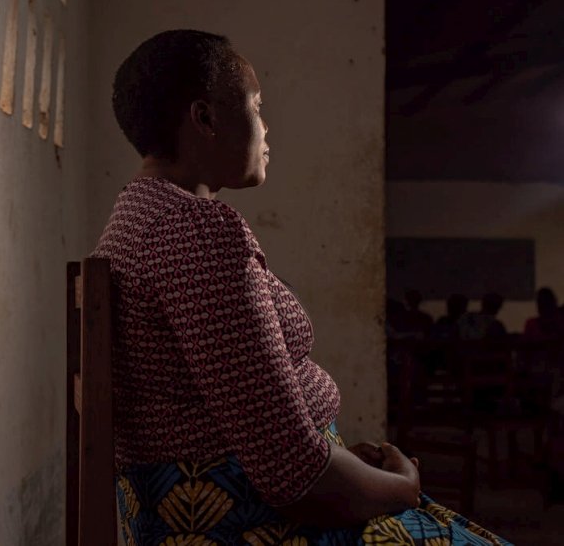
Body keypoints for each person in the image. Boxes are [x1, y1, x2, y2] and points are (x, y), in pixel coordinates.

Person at [92, 30, 507, 544]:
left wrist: (336, 461)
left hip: (215, 501)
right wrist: (405, 487)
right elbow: (296, 480)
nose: (266, 128)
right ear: (205, 119)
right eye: (256, 105)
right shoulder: (193, 233)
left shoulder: (138, 217)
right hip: (244, 519)